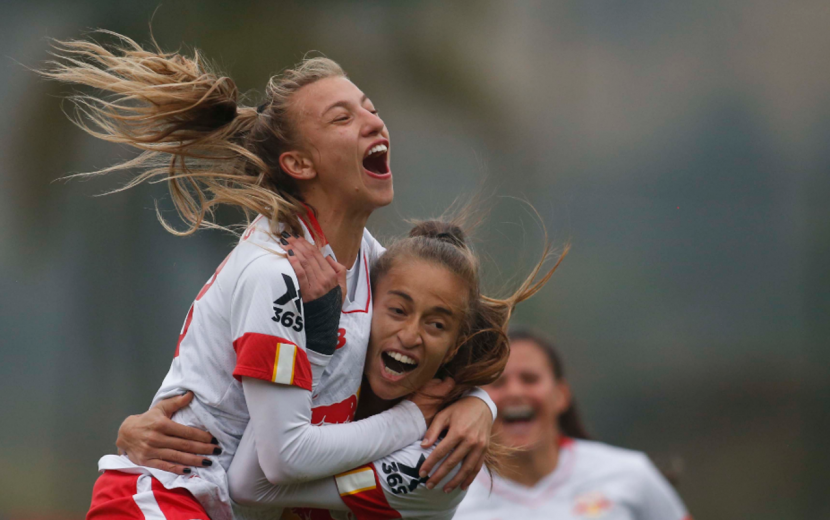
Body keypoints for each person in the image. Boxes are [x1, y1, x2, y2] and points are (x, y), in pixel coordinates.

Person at [43, 32, 496, 520]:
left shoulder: (372, 261)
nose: (373, 123)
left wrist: (481, 405)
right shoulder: (274, 274)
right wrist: (414, 417)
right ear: (299, 164)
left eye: (370, 108)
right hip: (161, 499)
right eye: (343, 118)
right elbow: (283, 461)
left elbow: (457, 337)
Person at [225, 219, 562, 520]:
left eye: (436, 325)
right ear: (366, 307)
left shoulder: (440, 458)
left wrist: (417, 415)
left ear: (453, 347)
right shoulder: (336, 360)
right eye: (399, 310)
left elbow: (253, 486)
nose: (410, 335)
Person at [453, 328, 691, 520]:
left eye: (530, 379)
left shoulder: (631, 473)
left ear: (561, 395)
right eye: (498, 382)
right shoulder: (448, 493)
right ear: (476, 401)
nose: (515, 392)